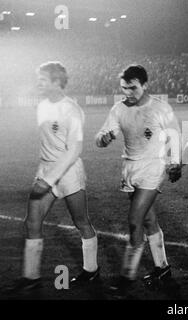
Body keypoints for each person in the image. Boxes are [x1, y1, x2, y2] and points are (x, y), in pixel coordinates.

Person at [10, 61, 99, 293]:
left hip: (69, 171)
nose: (38, 83)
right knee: (32, 221)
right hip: (46, 169)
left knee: (81, 222)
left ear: (56, 82)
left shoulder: (72, 109)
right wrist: (45, 175)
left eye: (42, 80)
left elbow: (74, 150)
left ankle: (92, 270)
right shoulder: (41, 106)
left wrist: (49, 181)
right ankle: (31, 278)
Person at [95, 65, 182, 297]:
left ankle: (126, 277)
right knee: (149, 220)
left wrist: (175, 162)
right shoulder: (118, 109)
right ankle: (162, 268)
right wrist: (103, 139)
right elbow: (102, 136)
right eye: (124, 88)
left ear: (145, 85)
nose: (128, 92)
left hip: (153, 167)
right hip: (129, 169)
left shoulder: (160, 108)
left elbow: (174, 135)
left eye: (132, 87)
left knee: (134, 221)